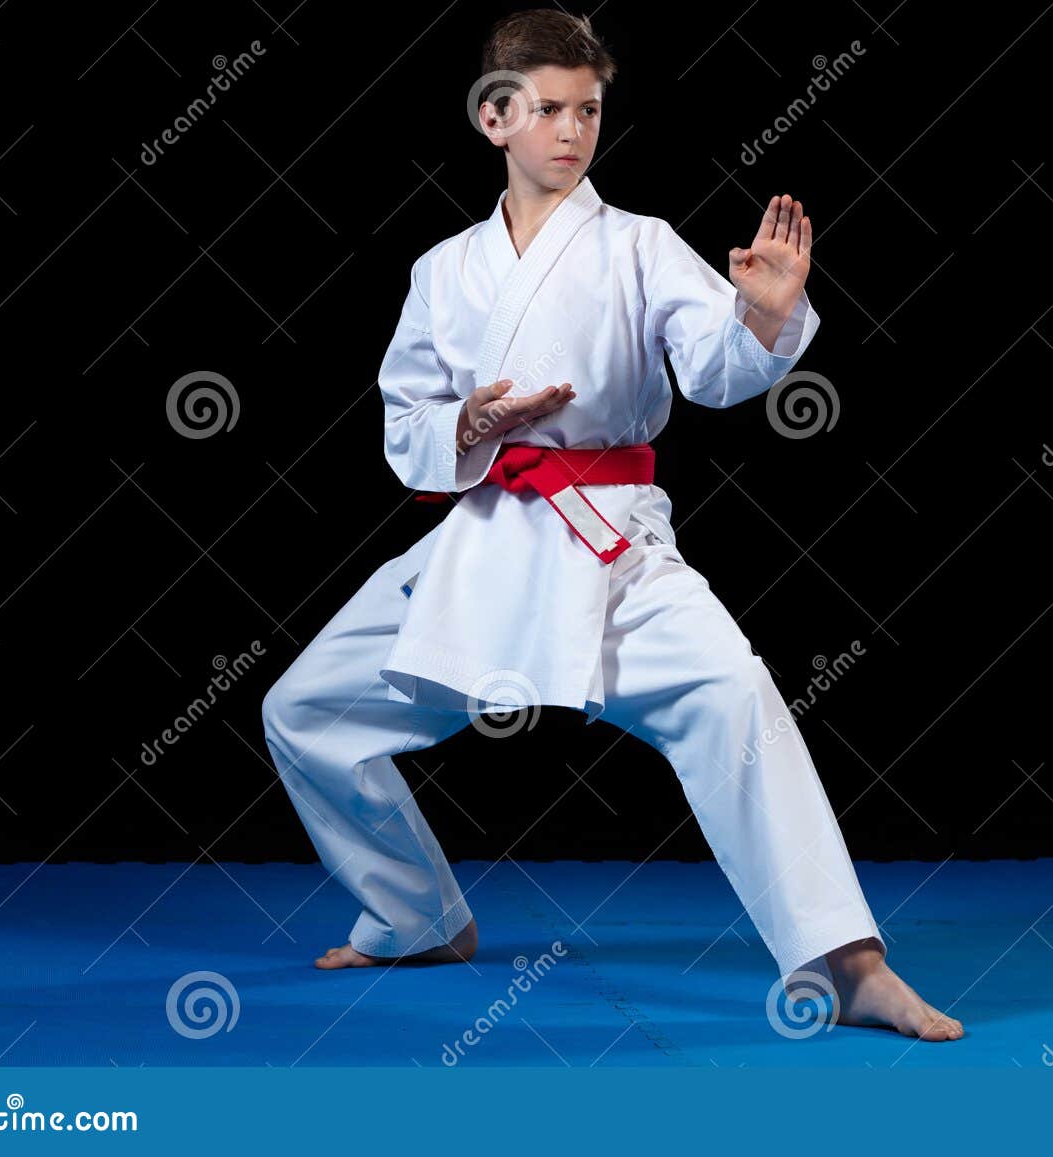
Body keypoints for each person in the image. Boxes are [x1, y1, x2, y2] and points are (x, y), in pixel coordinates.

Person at [260, 8, 963, 1041]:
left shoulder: (639, 246)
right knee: (305, 708)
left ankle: (848, 961)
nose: (571, 129)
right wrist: (470, 422)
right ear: (494, 118)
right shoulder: (444, 269)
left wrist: (762, 314)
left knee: (736, 698)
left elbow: (717, 375)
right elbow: (403, 424)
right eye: (547, 108)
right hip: (486, 538)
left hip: (612, 543)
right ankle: (417, 914)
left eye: (588, 108)